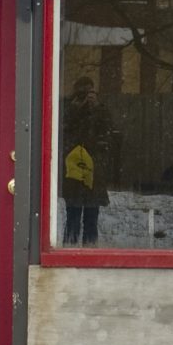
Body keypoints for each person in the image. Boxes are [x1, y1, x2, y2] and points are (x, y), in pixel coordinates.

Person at [58, 75, 114, 246]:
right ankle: (69, 249)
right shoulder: (69, 106)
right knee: (73, 214)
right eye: (82, 92)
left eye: (88, 92)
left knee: (91, 215)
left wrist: (96, 108)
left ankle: (90, 250)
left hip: (93, 167)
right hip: (74, 166)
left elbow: (108, 129)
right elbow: (63, 129)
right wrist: (77, 109)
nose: (85, 97)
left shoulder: (99, 109)